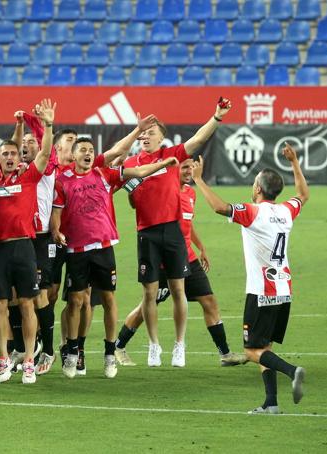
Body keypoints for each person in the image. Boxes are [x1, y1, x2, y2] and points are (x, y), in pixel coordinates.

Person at [191, 143, 308, 414]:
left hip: (261, 291)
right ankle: (271, 403)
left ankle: (292, 371)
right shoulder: (285, 212)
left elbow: (220, 207)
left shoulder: (253, 213)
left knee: (251, 350)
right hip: (284, 288)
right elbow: (302, 193)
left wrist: (198, 179)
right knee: (264, 346)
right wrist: (295, 162)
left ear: (257, 189)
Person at [51, 134, 178, 379]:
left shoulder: (103, 174)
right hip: (76, 250)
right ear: (74, 155)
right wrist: (56, 231)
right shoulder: (62, 180)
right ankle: (74, 352)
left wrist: (163, 163)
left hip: (103, 246)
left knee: (108, 299)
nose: (87, 154)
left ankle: (110, 354)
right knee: (76, 301)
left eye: (90, 150)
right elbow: (57, 212)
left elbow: (138, 172)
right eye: (83, 150)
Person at [123, 97, 232, 367]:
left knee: (178, 289)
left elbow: (197, 139)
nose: (146, 136)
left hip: (172, 231)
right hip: (146, 231)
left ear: (162, 137)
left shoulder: (172, 156)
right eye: (144, 133)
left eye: (152, 133)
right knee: (149, 294)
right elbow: (130, 198)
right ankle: (153, 345)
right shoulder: (133, 163)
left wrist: (217, 116)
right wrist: (134, 193)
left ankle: (179, 345)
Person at [115, 159, 248, 367]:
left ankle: (225, 353)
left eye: (192, 167)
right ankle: (119, 346)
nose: (190, 171)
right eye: (185, 167)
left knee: (209, 301)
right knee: (147, 306)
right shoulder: (163, 193)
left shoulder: (190, 193)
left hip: (188, 257)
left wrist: (201, 246)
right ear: (173, 170)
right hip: (163, 261)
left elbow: (187, 224)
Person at [0, 99, 55, 384]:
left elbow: (46, 153)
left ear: (19, 157)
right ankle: (4, 358)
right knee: (0, 305)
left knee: (27, 304)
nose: (10, 157)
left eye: (14, 153)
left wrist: (48, 125)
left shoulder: (28, 177)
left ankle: (29, 359)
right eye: (5, 154)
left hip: (25, 247)